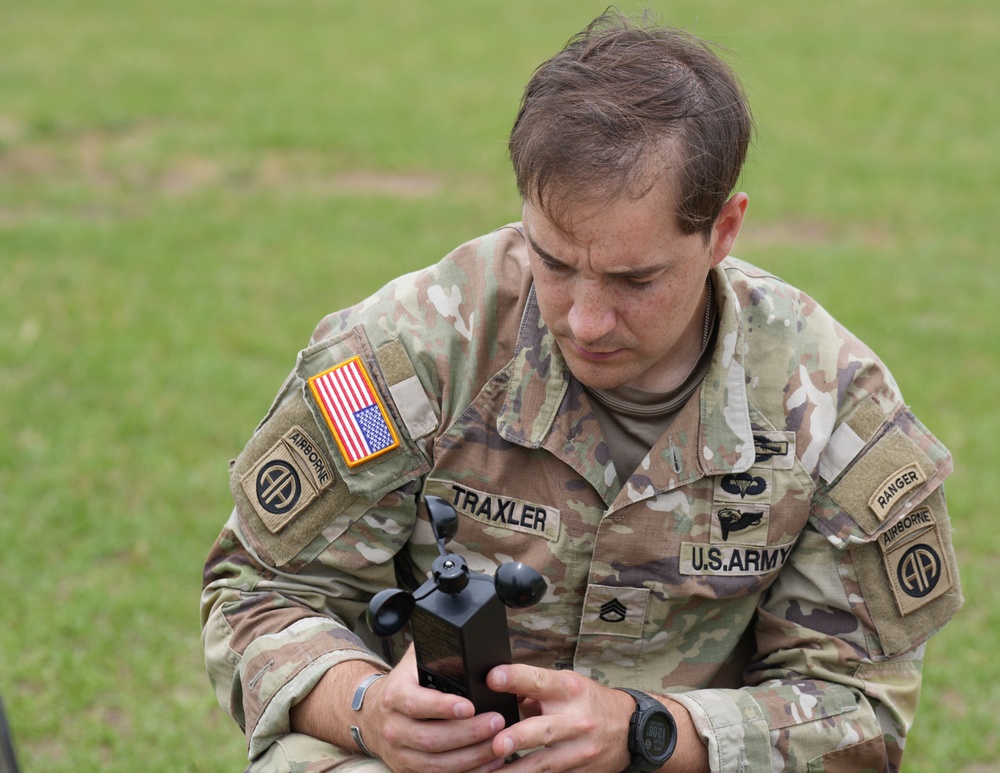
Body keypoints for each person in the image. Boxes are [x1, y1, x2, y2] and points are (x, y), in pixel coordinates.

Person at [201, 10, 962, 773]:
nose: (587, 319)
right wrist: (369, 709)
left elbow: (858, 705)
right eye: (554, 263)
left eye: (636, 279)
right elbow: (259, 589)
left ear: (723, 231)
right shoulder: (415, 351)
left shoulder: (831, 406)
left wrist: (649, 730)